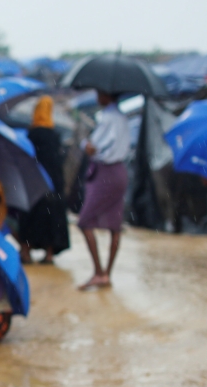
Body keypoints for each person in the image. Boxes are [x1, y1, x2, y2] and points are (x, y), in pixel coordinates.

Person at [77, 91, 130, 290]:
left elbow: (94, 148)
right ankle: (107, 273)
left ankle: (99, 273)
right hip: (119, 172)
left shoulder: (109, 117)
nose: (97, 96)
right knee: (114, 226)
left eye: (100, 93)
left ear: (108, 95)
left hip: (106, 174)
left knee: (84, 221)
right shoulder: (122, 117)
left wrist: (84, 142)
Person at [20, 96, 70, 264]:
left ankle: (25, 252)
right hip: (54, 183)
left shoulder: (33, 133)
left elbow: (28, 157)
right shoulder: (55, 135)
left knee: (31, 217)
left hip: (35, 181)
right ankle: (49, 254)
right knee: (52, 218)